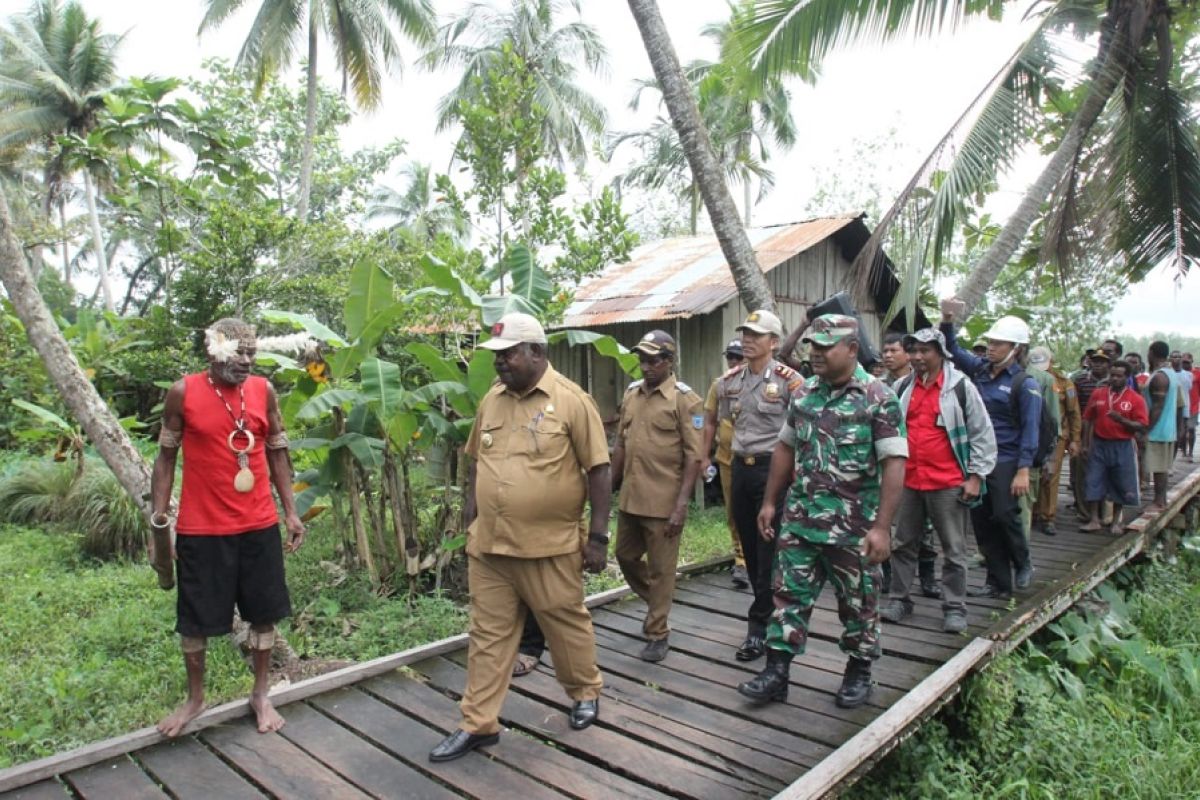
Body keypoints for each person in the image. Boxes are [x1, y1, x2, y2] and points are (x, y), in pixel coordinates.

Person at [429, 313, 609, 763]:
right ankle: (478, 723)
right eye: (497, 355)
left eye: (508, 354)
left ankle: (584, 691)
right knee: (487, 635)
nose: (500, 363)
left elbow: (600, 469)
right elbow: (475, 459)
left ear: (537, 352)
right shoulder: (492, 401)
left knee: (563, 623)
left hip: (548, 544)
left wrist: (600, 538)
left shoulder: (571, 401)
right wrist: (471, 510)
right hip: (490, 545)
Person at [736, 314, 906, 708]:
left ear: (851, 349)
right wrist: (769, 502)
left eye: (826, 346)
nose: (816, 353)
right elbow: (785, 447)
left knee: (859, 601)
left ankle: (859, 671)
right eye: (814, 345)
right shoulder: (805, 393)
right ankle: (777, 672)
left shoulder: (878, 397)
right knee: (786, 596)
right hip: (801, 519)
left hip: (853, 526)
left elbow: (894, 463)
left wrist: (882, 528)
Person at [150, 318, 306, 738]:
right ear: (212, 351)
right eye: (237, 353)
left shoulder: (263, 391)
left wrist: (290, 512)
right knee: (195, 621)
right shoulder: (183, 393)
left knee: (264, 613)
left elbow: (277, 452)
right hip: (202, 528)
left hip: (258, 524)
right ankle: (195, 700)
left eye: (252, 353)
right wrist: (158, 519)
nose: (246, 361)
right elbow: (165, 458)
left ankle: (260, 693)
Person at [880, 328, 996, 633]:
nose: (918, 357)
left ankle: (954, 607)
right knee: (903, 543)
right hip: (910, 479)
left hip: (947, 481)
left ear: (941, 353)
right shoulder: (904, 386)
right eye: (914, 351)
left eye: (925, 351)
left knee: (954, 548)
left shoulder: (960, 387)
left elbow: (982, 433)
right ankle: (899, 598)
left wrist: (975, 476)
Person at [704, 309, 803, 662]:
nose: (747, 339)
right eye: (745, 333)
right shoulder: (728, 381)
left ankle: (760, 629)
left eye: (756, 335)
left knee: (769, 553)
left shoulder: (791, 382)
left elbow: (804, 432)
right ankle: (769, 616)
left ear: (773, 342)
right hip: (740, 471)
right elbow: (714, 420)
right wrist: (705, 458)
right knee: (749, 547)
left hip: (773, 473)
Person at [611, 330, 704, 662]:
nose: (646, 366)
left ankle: (657, 632)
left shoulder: (685, 400)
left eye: (653, 360)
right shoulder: (633, 394)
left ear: (668, 361)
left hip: (664, 502)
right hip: (631, 497)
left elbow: (695, 456)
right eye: (642, 359)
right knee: (624, 556)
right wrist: (610, 482)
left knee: (662, 569)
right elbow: (621, 443)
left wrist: (681, 505)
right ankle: (658, 602)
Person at [939, 301, 1041, 600]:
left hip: (1007, 458)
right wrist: (947, 319)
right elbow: (952, 350)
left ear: (1016, 348)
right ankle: (998, 582)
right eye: (991, 342)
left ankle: (1023, 563)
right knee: (982, 520)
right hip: (978, 456)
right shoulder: (981, 370)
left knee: (1005, 514)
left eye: (998, 343)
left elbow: (1031, 429)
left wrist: (1023, 469)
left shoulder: (1025, 384)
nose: (992, 347)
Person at [1080, 361, 1147, 534]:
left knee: (1121, 482)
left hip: (1123, 444)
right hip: (1100, 443)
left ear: (1127, 377)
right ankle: (1095, 519)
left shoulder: (1135, 399)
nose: (1115, 379)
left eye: (1119, 376)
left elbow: (1141, 425)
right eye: (1113, 375)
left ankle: (1116, 521)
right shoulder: (1099, 393)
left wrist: (1122, 420)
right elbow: (1088, 418)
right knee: (1093, 480)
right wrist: (1086, 444)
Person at [704, 339, 750, 589]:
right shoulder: (720, 385)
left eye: (738, 357)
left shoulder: (762, 383)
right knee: (734, 511)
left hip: (757, 459)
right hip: (727, 458)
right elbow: (709, 420)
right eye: (730, 357)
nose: (733, 362)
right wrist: (704, 456)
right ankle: (741, 560)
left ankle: (763, 558)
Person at [1031, 347, 1081, 536]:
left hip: (1056, 437)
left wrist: (1075, 439)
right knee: (1032, 474)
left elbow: (1073, 412)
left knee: (1050, 477)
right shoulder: (1027, 378)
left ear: (1051, 361)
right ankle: (1033, 513)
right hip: (1032, 435)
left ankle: (1048, 517)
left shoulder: (1064, 383)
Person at [1023, 348, 1062, 539]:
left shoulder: (1047, 380)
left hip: (1035, 445)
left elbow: (1052, 420)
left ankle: (1047, 517)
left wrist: (1051, 455)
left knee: (1040, 486)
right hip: (1019, 446)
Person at [1071, 350, 1111, 517]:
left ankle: (1104, 511)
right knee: (1080, 472)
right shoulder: (1079, 380)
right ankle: (1083, 509)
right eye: (1095, 361)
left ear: (1108, 364)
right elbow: (1072, 406)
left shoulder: (1113, 381)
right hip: (1082, 429)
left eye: (1102, 361)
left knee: (1104, 472)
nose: (1098, 364)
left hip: (1106, 431)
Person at [1143, 341, 1179, 513]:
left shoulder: (1160, 377)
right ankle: (1160, 500)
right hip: (1166, 429)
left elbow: (1157, 406)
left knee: (1158, 468)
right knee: (1161, 467)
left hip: (1158, 430)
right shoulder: (1170, 373)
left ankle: (1159, 501)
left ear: (1152, 353)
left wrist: (1146, 428)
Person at [1171, 350, 1193, 459]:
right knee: (1171, 436)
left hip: (1183, 407)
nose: (1176, 359)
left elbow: (1188, 390)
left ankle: (1173, 460)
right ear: (1170, 359)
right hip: (1169, 409)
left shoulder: (1188, 375)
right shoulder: (1167, 373)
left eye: (1179, 357)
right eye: (1174, 357)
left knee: (1180, 435)